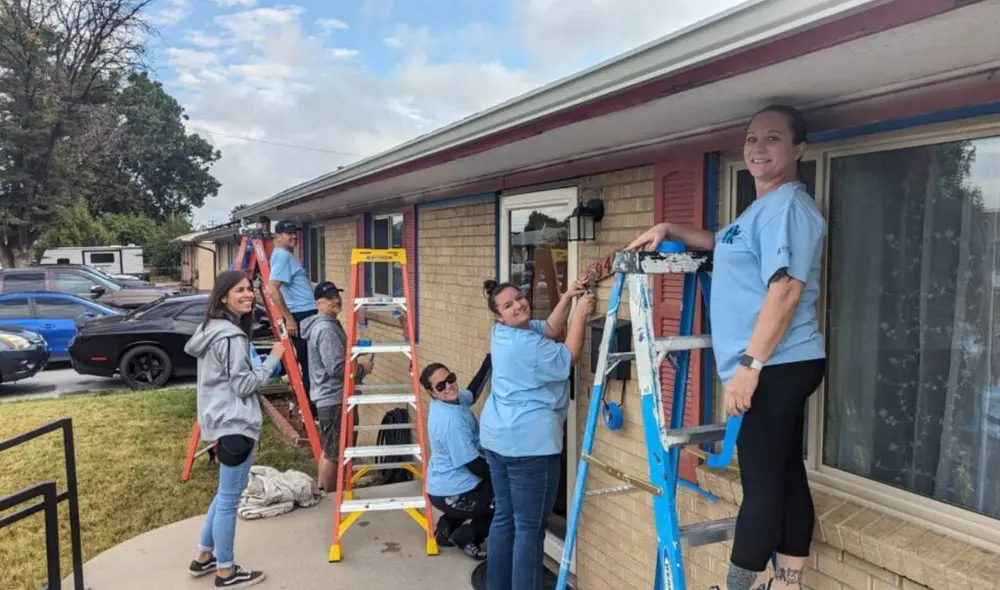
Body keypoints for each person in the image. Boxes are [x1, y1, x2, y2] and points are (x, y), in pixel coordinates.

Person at [625, 104, 826, 590]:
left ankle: (739, 586)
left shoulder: (789, 209)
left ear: (798, 148)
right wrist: (672, 229)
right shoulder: (761, 208)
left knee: (760, 483)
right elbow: (725, 242)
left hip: (775, 364)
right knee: (783, 474)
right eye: (753, 139)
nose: (758, 148)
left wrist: (750, 367)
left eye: (773, 139)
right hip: (777, 363)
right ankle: (787, 582)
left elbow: (785, 291)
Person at [479, 277, 595, 590]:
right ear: (499, 315)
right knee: (529, 528)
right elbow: (568, 355)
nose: (518, 306)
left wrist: (569, 296)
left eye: (519, 298)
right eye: (509, 305)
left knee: (505, 518)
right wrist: (582, 312)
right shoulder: (526, 345)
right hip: (529, 444)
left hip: (497, 438)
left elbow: (553, 329)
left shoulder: (504, 332)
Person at [185, 270, 285, 588]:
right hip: (236, 424)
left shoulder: (212, 329)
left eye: (250, 289)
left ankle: (204, 555)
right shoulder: (231, 337)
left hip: (220, 421)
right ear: (223, 296)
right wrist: (272, 360)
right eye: (239, 290)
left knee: (226, 493)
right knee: (229, 500)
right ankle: (225, 571)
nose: (248, 294)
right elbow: (243, 385)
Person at [301, 281, 373, 492]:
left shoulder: (328, 325)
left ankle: (324, 490)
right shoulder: (326, 329)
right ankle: (331, 499)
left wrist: (352, 354)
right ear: (318, 304)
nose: (336, 300)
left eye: (337, 295)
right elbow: (337, 369)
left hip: (330, 398)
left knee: (330, 448)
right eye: (330, 298)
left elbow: (334, 361)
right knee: (335, 453)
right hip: (334, 399)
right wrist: (362, 369)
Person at [421, 361, 493, 561]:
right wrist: (504, 478)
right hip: (452, 493)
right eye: (441, 386)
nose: (449, 386)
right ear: (431, 392)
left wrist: (488, 362)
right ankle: (468, 536)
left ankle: (447, 527)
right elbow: (474, 465)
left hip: (441, 487)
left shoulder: (449, 400)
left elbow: (472, 393)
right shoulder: (450, 424)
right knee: (504, 498)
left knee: (489, 484)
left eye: (450, 379)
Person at [267, 219, 318, 403]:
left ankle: (312, 408)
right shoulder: (282, 256)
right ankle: (313, 410)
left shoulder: (283, 255)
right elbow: (272, 289)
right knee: (311, 364)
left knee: (311, 363)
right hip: (302, 315)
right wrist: (289, 319)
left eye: (295, 233)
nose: (293, 236)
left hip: (305, 314)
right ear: (278, 236)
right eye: (289, 233)